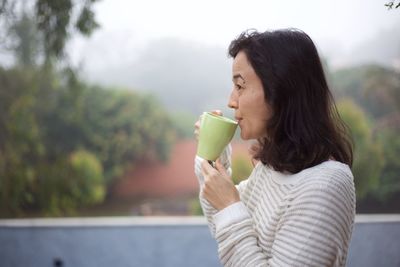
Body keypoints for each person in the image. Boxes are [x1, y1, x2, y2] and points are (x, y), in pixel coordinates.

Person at [193, 29, 355, 267]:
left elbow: (230, 215)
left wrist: (229, 205)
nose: (231, 100)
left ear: (280, 88)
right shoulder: (270, 171)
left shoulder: (326, 184)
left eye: (240, 86)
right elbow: (224, 225)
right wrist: (211, 154)